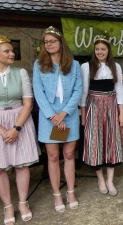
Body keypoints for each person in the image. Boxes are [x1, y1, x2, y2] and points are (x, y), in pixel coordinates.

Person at [33, 26, 81, 212]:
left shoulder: (74, 65)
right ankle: (57, 195)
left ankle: (70, 191)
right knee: (53, 157)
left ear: (61, 42)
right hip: (49, 117)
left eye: (52, 41)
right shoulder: (39, 65)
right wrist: (53, 115)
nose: (49, 44)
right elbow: (39, 92)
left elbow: (78, 91)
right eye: (46, 42)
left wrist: (64, 113)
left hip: (68, 116)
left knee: (69, 155)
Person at [79, 37, 123, 195]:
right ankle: (100, 179)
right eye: (97, 49)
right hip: (94, 106)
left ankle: (110, 180)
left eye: (103, 49)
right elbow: (84, 93)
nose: (100, 52)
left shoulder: (116, 66)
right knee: (96, 142)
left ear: (108, 51)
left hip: (112, 106)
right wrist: (83, 115)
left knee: (111, 141)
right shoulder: (87, 66)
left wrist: (121, 113)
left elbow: (119, 90)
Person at [0, 34, 39, 224]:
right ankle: (8, 207)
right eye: (7, 51)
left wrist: (16, 128)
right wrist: (2, 130)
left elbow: (28, 102)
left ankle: (23, 202)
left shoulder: (21, 72)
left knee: (21, 165)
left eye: (12, 50)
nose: (12, 53)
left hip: (20, 119)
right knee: (0, 167)